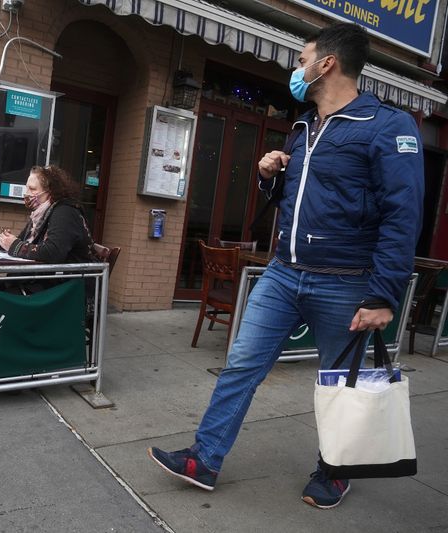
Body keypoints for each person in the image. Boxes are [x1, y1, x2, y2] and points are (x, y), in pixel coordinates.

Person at [148, 23, 424, 509]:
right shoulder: (304, 127)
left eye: (302, 60)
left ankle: (335, 471)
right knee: (241, 364)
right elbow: (297, 203)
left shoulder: (387, 126)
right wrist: (268, 175)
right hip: (282, 273)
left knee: (341, 385)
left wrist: (384, 294)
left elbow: (404, 214)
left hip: (346, 282)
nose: (296, 69)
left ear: (327, 64)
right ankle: (204, 459)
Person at [0, 165, 94, 294]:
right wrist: (6, 242)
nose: (27, 193)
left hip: (67, 286)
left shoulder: (65, 212)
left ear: (50, 191)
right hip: (48, 279)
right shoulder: (40, 214)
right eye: (27, 188)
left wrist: (14, 245)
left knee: (2, 293)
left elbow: (53, 252)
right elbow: (22, 240)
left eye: (32, 189)